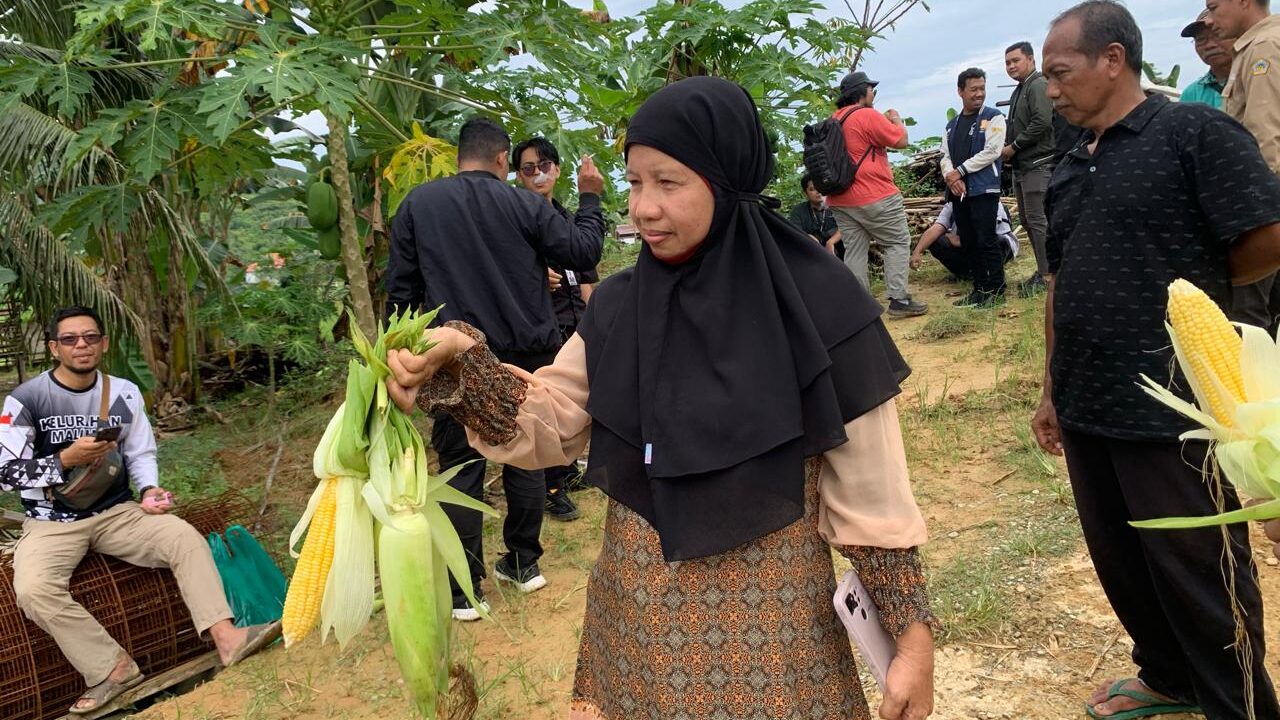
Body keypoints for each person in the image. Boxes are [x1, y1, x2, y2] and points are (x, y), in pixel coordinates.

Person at [386, 76, 937, 720]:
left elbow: (873, 494)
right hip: (637, 639)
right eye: (633, 182)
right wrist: (463, 360)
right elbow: (549, 425)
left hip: (777, 652)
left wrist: (911, 640)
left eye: (668, 182)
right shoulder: (622, 306)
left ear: (725, 180)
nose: (643, 208)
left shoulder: (816, 303)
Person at [1031, 3, 1280, 718]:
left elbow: (1265, 233)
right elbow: (1060, 281)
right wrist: (1050, 389)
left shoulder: (1193, 133)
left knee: (1200, 566)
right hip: (1088, 396)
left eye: (1061, 73)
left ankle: (1241, 704)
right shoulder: (1072, 163)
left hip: (1174, 401)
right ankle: (1170, 678)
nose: (1052, 90)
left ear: (1113, 59)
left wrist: (1193, 286)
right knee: (1123, 558)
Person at [0, 307, 279, 715]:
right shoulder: (26, 399)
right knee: (33, 590)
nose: (81, 345)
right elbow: (6, 473)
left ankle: (228, 638)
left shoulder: (123, 393)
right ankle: (112, 668)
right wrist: (65, 459)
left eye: (90, 337)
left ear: (103, 343)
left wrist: (149, 490)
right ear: (54, 348)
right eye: (70, 339)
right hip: (51, 521)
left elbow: (140, 452)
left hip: (117, 512)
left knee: (182, 537)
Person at [385, 116, 606, 619]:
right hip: (524, 354)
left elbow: (400, 292)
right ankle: (524, 563)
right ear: (503, 159)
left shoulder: (419, 204)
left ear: (458, 156)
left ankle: (464, 591)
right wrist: (590, 198)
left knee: (460, 467)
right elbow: (582, 250)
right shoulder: (525, 204)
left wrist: (404, 360)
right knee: (524, 455)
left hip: (451, 356)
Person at [512, 135, 596, 523]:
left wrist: (594, 318)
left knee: (573, 402)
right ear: (518, 175)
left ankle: (568, 471)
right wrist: (530, 279)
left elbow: (586, 272)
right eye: (528, 168)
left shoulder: (565, 219)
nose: (538, 174)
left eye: (544, 166)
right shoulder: (515, 220)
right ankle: (551, 488)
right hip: (539, 327)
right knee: (543, 404)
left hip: (572, 321)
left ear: (557, 170)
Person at [825, 71, 929, 318]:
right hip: (874, 194)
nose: (873, 93)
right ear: (862, 91)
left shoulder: (834, 119)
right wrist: (896, 119)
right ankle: (899, 300)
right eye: (872, 89)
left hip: (840, 198)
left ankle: (859, 306)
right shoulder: (866, 115)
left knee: (855, 250)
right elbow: (901, 140)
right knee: (897, 241)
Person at [1206, 0, 1280, 333]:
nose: (1210, 19)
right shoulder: (1255, 47)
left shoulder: (1264, 47)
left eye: (1214, 6)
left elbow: (1266, 141)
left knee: (1246, 321)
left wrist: (1253, 221)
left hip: (1260, 213)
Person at [940, 68, 1008, 308]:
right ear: (960, 91)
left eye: (982, 88)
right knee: (968, 240)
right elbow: (944, 156)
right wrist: (951, 177)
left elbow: (992, 151)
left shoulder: (994, 117)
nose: (979, 94)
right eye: (973, 89)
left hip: (984, 189)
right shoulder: (951, 126)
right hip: (959, 192)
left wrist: (960, 171)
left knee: (986, 238)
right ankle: (980, 288)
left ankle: (997, 290)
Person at [1002, 41, 1055, 298]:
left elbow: (1042, 121)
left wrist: (1014, 146)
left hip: (1038, 163)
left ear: (1031, 59)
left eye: (1016, 60)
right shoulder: (1020, 89)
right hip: (1022, 166)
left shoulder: (1038, 85)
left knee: (1038, 221)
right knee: (1026, 220)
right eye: (1007, 63)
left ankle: (1048, 275)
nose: (1011, 66)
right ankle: (1042, 269)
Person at [910, 201, 1018, 280]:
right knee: (936, 241)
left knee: (994, 240)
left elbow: (986, 233)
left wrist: (961, 240)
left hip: (995, 244)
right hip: (967, 246)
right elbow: (937, 228)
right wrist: (917, 251)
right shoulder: (952, 203)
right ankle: (965, 273)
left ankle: (991, 272)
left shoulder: (990, 201)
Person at [1180, 10, 1235, 108]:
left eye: (1217, 35)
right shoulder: (1192, 94)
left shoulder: (1253, 79)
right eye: (1201, 39)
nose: (1210, 45)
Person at [788, 173, 844, 258]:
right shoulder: (798, 211)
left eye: (820, 186)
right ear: (805, 193)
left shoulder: (836, 206)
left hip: (841, 253)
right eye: (812, 189)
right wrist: (808, 237)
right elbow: (794, 232)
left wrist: (831, 242)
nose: (818, 191)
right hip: (811, 254)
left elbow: (847, 226)